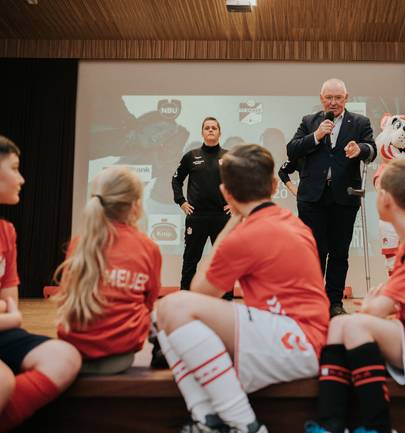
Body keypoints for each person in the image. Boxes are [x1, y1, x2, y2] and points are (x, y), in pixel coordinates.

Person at [156, 144, 329, 433]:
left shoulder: (247, 234)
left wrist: (232, 224)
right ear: (274, 186)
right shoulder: (293, 223)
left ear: (226, 193)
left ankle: (244, 423)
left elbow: (198, 293)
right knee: (165, 322)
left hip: (295, 343)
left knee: (172, 307)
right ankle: (207, 420)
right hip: (303, 339)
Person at [305, 159, 405, 433]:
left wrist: (372, 305)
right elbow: (383, 304)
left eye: (377, 191)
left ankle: (378, 426)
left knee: (354, 324)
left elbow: (379, 308)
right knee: (340, 323)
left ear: (387, 199)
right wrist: (374, 304)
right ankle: (330, 424)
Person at [0, 135, 81, 432]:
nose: (21, 178)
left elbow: (11, 306)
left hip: (3, 329)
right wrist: (9, 313)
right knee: (3, 380)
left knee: (65, 356)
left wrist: (10, 314)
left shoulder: (6, 231)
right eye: (15, 168)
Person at [54, 166, 162, 374]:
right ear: (136, 205)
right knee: (167, 312)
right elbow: (148, 303)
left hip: (75, 352)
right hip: (120, 355)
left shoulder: (80, 243)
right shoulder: (148, 247)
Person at [287, 78, 377, 317]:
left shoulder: (360, 122)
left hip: (344, 198)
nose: (333, 102)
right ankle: (313, 301)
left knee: (339, 252)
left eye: (338, 97)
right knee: (314, 252)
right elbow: (292, 149)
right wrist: (316, 135)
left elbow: (372, 149)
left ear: (347, 98)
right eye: (329, 97)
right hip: (312, 199)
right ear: (321, 98)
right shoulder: (309, 122)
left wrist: (361, 149)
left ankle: (334, 302)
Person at [172, 117, 231, 295]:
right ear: (202, 132)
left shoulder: (229, 156)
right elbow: (176, 180)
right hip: (196, 217)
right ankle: (185, 296)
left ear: (220, 132)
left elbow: (242, 181)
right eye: (207, 128)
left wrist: (235, 204)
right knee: (190, 259)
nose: (211, 130)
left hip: (221, 217)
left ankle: (227, 299)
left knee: (224, 261)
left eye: (214, 128)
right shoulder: (191, 156)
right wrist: (181, 201)